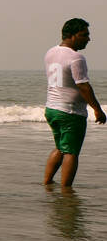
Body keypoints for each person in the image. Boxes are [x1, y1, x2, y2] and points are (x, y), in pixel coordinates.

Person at [44, 17, 106, 188]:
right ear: (71, 35)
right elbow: (84, 86)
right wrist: (97, 110)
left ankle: (47, 183)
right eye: (84, 35)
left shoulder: (51, 52)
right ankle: (66, 192)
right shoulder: (76, 57)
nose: (88, 39)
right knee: (71, 152)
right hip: (70, 113)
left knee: (60, 148)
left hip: (52, 109)